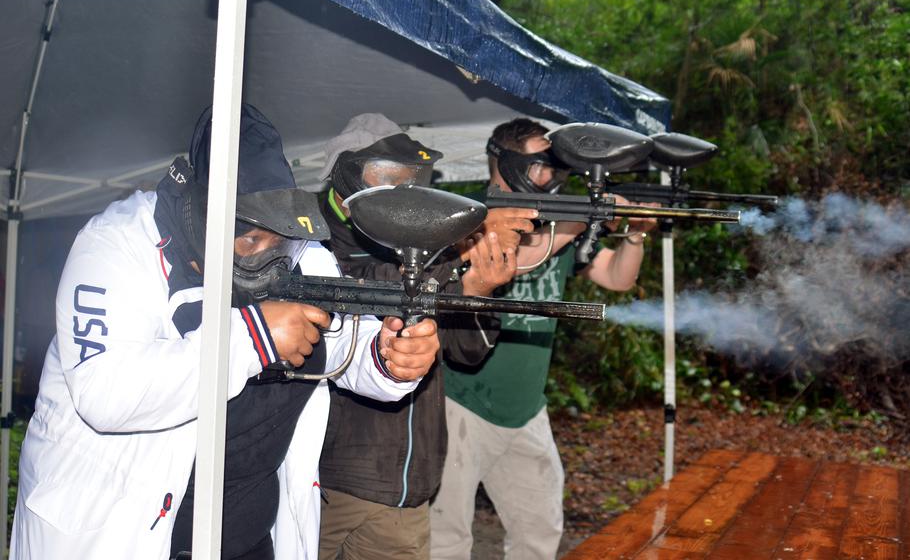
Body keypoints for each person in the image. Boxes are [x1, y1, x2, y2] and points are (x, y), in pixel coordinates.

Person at [10, 104, 439, 560]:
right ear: (203, 218)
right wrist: (254, 336)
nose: (267, 255)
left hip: (247, 534)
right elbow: (105, 395)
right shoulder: (115, 244)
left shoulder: (301, 250)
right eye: (248, 240)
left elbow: (342, 349)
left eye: (277, 240)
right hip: (118, 533)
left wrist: (389, 359)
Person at [429, 118, 658, 560]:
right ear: (507, 164)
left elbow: (616, 278)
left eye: (554, 169)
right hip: (461, 403)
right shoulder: (470, 217)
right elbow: (516, 259)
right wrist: (580, 218)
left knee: (539, 531)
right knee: (446, 540)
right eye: (540, 168)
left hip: (528, 408)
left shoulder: (556, 223)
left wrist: (633, 233)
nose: (550, 179)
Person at [315, 114, 534, 559]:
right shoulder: (309, 238)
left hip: (407, 490)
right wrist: (454, 267)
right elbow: (358, 286)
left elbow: (466, 351)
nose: (403, 188)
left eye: (411, 178)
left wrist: (478, 287)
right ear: (345, 173)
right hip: (323, 483)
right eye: (387, 176)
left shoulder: (422, 246)